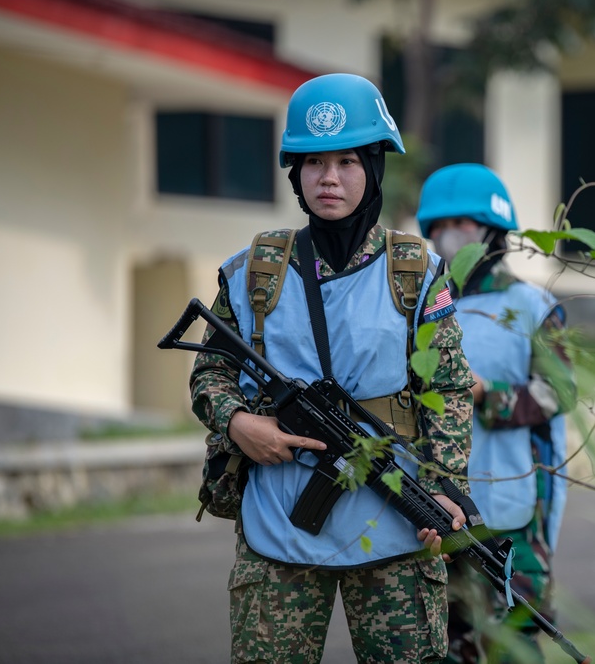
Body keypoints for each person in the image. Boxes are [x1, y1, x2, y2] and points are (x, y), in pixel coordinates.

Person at [189, 73, 474, 664]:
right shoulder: (253, 273)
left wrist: (448, 488)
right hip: (279, 530)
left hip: (394, 523)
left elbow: (446, 388)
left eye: (347, 161)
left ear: (373, 167)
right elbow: (209, 373)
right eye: (313, 162)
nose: (329, 178)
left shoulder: (415, 270)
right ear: (295, 173)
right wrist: (238, 422)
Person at [415, 164, 577, 664]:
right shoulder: (418, 306)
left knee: (516, 646)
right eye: (438, 227)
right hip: (437, 512)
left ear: (492, 230)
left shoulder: (532, 306)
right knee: (446, 645)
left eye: (460, 224)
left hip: (513, 510)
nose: (448, 236)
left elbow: (559, 392)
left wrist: (487, 394)